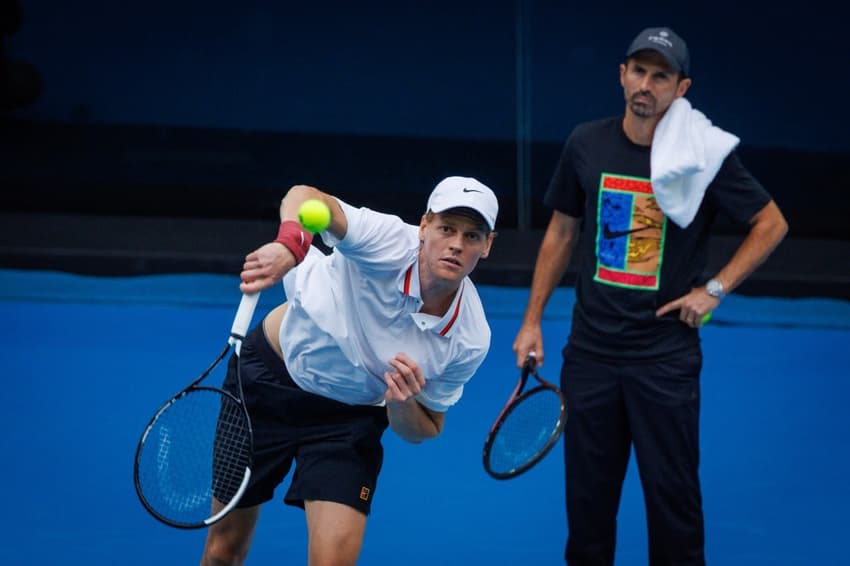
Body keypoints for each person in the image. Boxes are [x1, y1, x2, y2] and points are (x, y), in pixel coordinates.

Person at [512, 27, 788, 565]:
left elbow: (771, 223)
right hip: (589, 357)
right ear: (622, 76)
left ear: (680, 87)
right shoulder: (585, 144)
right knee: (587, 511)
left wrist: (715, 289)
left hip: (664, 361)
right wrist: (531, 321)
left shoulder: (703, 157)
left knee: (674, 507)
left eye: (661, 75)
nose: (646, 84)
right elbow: (561, 233)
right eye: (638, 71)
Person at [200, 176, 498, 566]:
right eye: (447, 228)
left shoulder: (470, 337)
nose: (457, 243)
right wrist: (291, 244)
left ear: (487, 245)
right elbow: (306, 198)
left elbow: (424, 428)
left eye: (473, 235)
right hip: (267, 384)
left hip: (348, 419)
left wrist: (402, 404)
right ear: (424, 226)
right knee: (224, 551)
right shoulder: (386, 240)